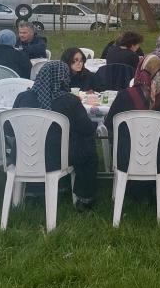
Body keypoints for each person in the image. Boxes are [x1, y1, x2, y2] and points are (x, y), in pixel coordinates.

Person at [104, 55, 160, 207]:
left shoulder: (124, 96)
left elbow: (109, 124)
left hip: (129, 158)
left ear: (139, 71)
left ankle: (137, 193)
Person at [12, 61, 98, 210]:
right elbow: (86, 129)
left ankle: (34, 191)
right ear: (63, 77)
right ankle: (84, 197)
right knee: (87, 147)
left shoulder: (23, 97)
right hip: (58, 158)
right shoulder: (69, 100)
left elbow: (9, 128)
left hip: (24, 155)